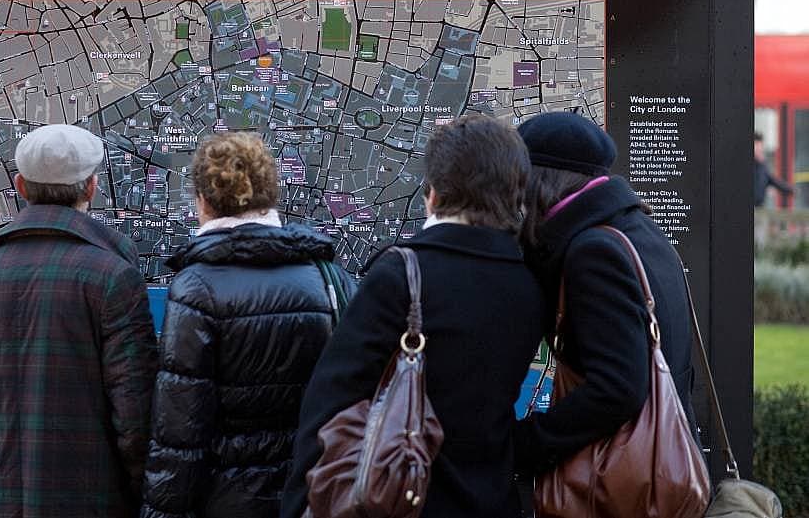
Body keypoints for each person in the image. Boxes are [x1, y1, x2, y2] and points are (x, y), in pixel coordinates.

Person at [282, 114, 546, 518]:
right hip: (490, 500)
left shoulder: (402, 276)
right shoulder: (528, 285)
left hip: (402, 500)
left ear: (434, 193)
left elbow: (330, 406)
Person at [0, 124, 158, 518]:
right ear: (91, 188)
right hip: (95, 503)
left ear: (19, 186)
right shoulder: (113, 278)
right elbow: (136, 417)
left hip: (2, 502)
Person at [141, 132, 354, 518]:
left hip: (227, 498)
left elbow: (180, 431)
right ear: (270, 194)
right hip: (315, 492)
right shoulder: (325, 277)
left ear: (203, 201)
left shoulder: (196, 287)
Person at [512, 111, 697, 477]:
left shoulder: (593, 253)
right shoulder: (636, 228)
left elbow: (617, 388)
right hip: (659, 466)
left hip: (622, 481)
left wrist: (527, 442)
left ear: (536, 182)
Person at [754, 131, 793, 207]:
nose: (759, 149)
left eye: (760, 146)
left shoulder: (762, 166)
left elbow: (773, 181)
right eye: (756, 145)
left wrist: (790, 190)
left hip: (758, 207)